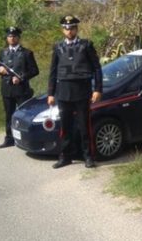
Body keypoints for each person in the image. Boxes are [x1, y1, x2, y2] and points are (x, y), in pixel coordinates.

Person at [48, 15, 103, 169]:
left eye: (72, 28)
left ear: (76, 29)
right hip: (63, 92)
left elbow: (97, 68)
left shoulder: (86, 45)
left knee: (84, 126)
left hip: (82, 92)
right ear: (62, 30)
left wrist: (98, 89)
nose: (69, 31)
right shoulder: (58, 47)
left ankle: (88, 157)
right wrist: (51, 93)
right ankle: (65, 157)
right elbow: (53, 71)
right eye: (66, 28)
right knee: (65, 127)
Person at [0, 26, 39, 148]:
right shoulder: (3, 52)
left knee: (24, 115)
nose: (12, 38)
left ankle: (26, 139)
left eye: (14, 36)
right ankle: (9, 139)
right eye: (9, 36)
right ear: (7, 38)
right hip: (7, 90)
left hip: (21, 90)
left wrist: (21, 77)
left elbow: (35, 70)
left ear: (18, 38)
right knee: (9, 115)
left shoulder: (26, 53)